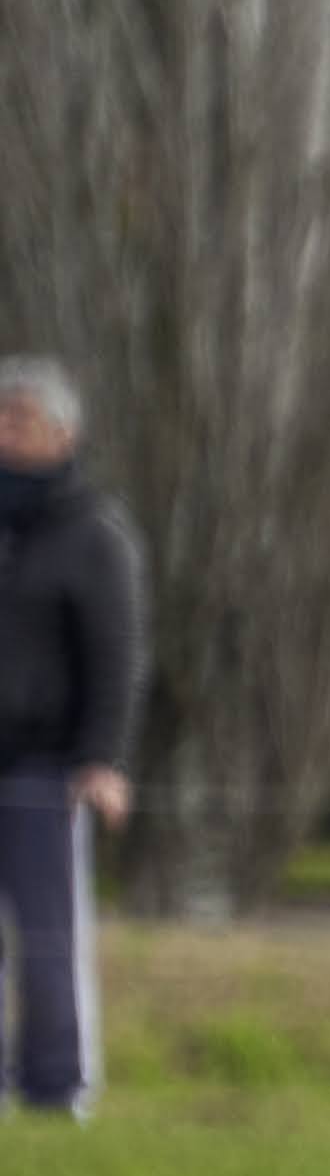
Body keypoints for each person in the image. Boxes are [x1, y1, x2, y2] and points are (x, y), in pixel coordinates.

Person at [0, 355, 142, 1119]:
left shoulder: (92, 535)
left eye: (20, 419)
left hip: (46, 772)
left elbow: (115, 656)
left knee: (49, 941)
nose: (6, 432)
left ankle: (57, 1089)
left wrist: (102, 760)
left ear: (62, 434)